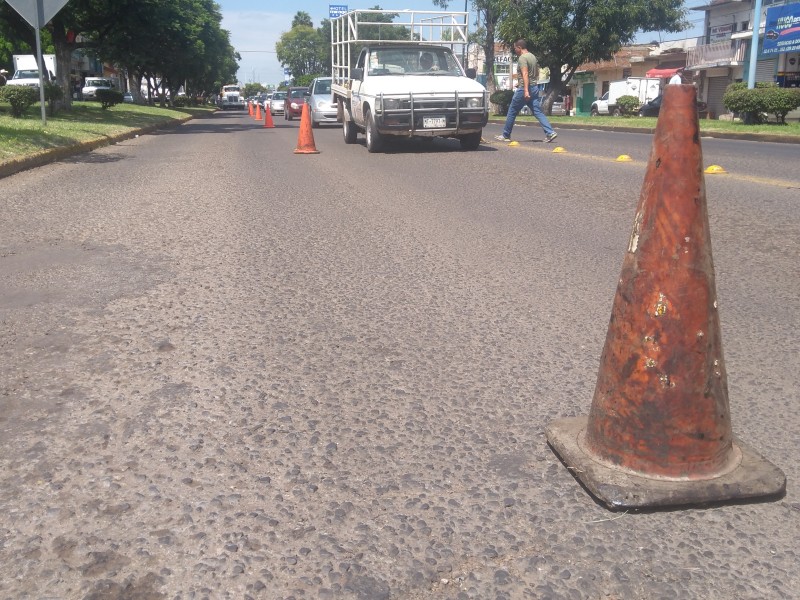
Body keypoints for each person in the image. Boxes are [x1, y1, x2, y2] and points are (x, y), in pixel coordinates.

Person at [495, 40, 557, 143]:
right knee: (537, 111)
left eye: (515, 48)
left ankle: (506, 135)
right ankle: (550, 132)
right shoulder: (533, 56)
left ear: (519, 47)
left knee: (512, 110)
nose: (515, 50)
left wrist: (526, 90)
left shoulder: (522, 58)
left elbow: (525, 74)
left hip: (525, 88)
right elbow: (536, 72)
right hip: (534, 87)